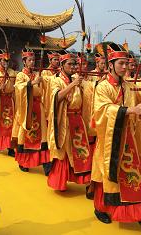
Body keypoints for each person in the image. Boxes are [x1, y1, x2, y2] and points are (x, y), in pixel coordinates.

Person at [91, 43, 141, 235]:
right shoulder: (102, 87)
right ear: (111, 65)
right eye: (121, 64)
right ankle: (101, 208)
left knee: (134, 181)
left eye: (127, 64)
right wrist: (129, 110)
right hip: (109, 140)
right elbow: (102, 111)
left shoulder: (128, 86)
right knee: (106, 177)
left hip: (127, 140)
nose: (125, 67)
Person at [47, 51, 92, 192]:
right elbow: (56, 97)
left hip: (77, 120)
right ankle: (60, 182)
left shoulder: (77, 79)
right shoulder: (56, 80)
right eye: (70, 64)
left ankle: (86, 180)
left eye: (75, 64)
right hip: (64, 120)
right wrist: (73, 84)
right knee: (64, 152)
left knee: (81, 151)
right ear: (62, 65)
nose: (73, 67)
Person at [12, 48, 51, 174]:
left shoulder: (38, 74)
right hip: (26, 109)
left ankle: (46, 163)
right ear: (24, 61)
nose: (32, 62)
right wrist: (32, 82)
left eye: (34, 60)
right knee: (26, 135)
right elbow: (19, 89)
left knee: (43, 136)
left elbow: (47, 87)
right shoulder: (20, 75)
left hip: (38, 107)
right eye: (30, 60)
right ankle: (24, 161)